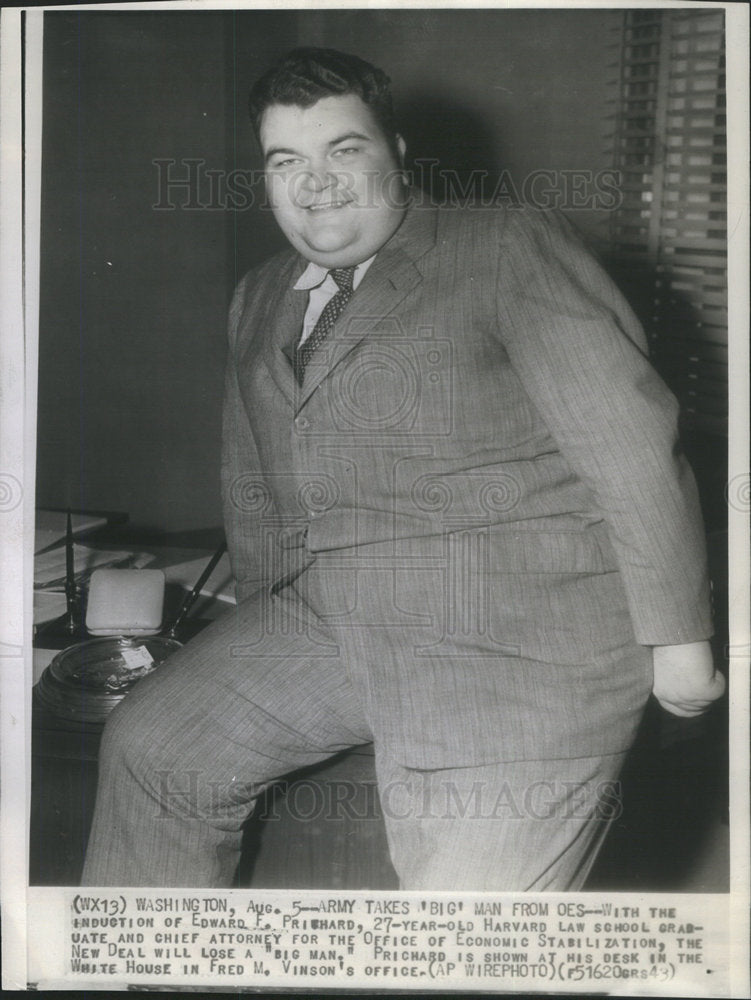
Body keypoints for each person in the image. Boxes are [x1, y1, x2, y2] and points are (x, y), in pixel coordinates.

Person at [81, 47, 724, 890]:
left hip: (515, 634)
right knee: (154, 743)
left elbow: (631, 451)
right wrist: (255, 623)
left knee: (462, 932)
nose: (315, 183)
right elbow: (262, 487)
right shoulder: (260, 294)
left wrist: (677, 643)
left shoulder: (502, 245)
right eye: (287, 162)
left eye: (343, 151)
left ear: (399, 154)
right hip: (340, 614)